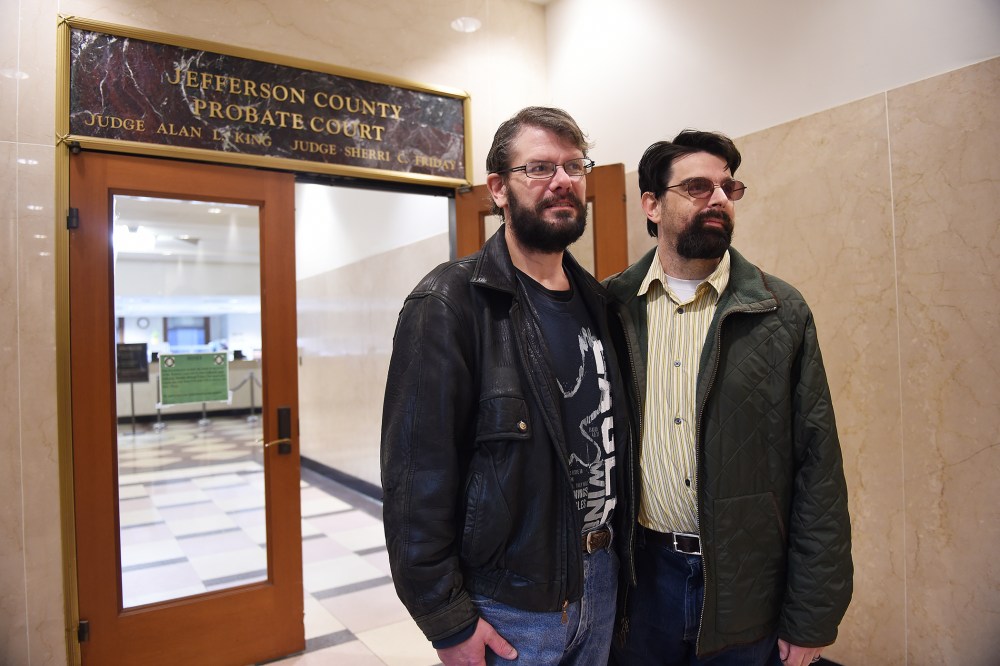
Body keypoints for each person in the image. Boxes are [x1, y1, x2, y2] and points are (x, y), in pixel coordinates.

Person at [380, 106, 635, 666]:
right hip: (508, 605)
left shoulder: (602, 304)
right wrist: (446, 621)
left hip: (601, 582)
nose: (563, 181)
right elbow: (415, 478)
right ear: (498, 188)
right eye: (539, 168)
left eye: (574, 166)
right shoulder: (450, 303)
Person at [604, 130, 853, 666]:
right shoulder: (610, 308)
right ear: (652, 204)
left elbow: (819, 469)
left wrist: (811, 613)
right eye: (696, 186)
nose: (718, 198)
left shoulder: (779, 311)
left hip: (746, 584)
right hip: (639, 581)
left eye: (727, 186)